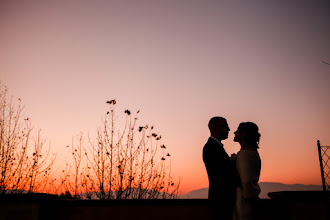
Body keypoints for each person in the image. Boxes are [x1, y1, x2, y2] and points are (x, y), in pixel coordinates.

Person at [203, 117, 238, 220]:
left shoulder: (215, 147)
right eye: (225, 126)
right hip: (221, 201)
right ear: (214, 127)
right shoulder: (210, 148)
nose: (229, 129)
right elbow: (222, 174)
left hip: (221, 201)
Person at [232, 122, 261, 220]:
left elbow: (246, 181)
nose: (234, 132)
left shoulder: (243, 154)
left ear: (244, 134)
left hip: (243, 202)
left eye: (237, 130)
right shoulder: (253, 153)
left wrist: (247, 196)